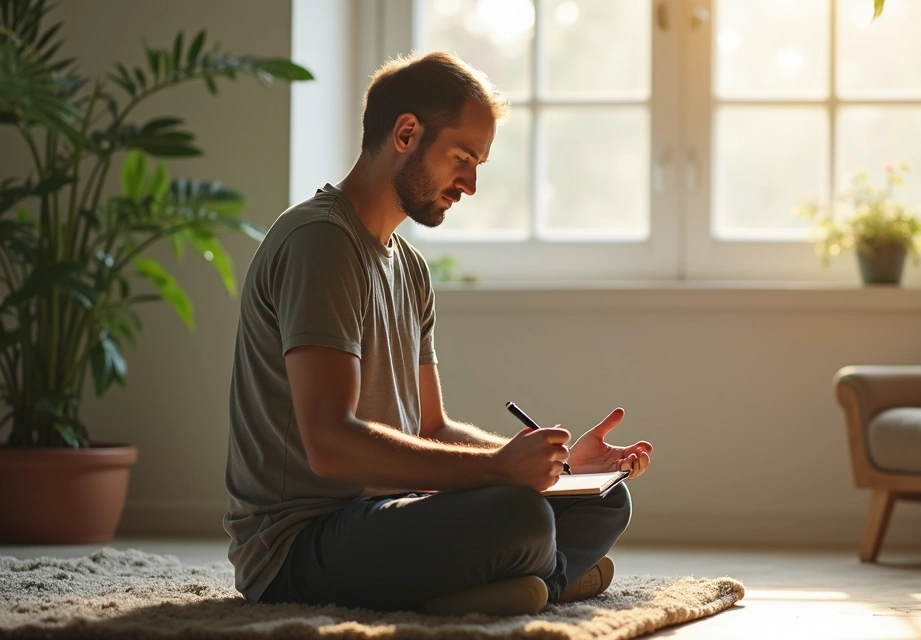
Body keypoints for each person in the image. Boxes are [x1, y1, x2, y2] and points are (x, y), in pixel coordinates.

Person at [223, 51, 654, 616]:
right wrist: (503, 473)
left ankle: (523, 580)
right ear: (406, 133)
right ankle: (547, 579)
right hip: (301, 545)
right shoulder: (319, 242)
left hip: (392, 514)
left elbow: (432, 427)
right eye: (462, 157)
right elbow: (328, 444)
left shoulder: (409, 268)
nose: (471, 184)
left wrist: (561, 468)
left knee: (603, 501)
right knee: (520, 518)